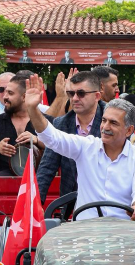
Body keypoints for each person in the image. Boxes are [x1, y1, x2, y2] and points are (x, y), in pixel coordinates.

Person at [26, 75, 135, 221]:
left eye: (113, 123)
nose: (105, 127)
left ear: (129, 131)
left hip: (123, 232)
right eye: (104, 120)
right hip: (83, 232)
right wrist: (32, 109)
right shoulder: (86, 146)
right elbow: (52, 138)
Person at [37, 71, 105, 203]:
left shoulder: (111, 120)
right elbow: (47, 168)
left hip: (105, 201)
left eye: (81, 93)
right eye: (71, 93)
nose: (74, 98)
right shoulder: (60, 123)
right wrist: (34, 205)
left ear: (97, 96)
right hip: (70, 202)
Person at [0, 71, 46, 176]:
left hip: (39, 181)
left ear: (24, 97)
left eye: (10, 93)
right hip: (3, 185)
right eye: (4, 92)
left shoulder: (45, 122)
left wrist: (37, 140)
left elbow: (61, 149)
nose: (5, 97)